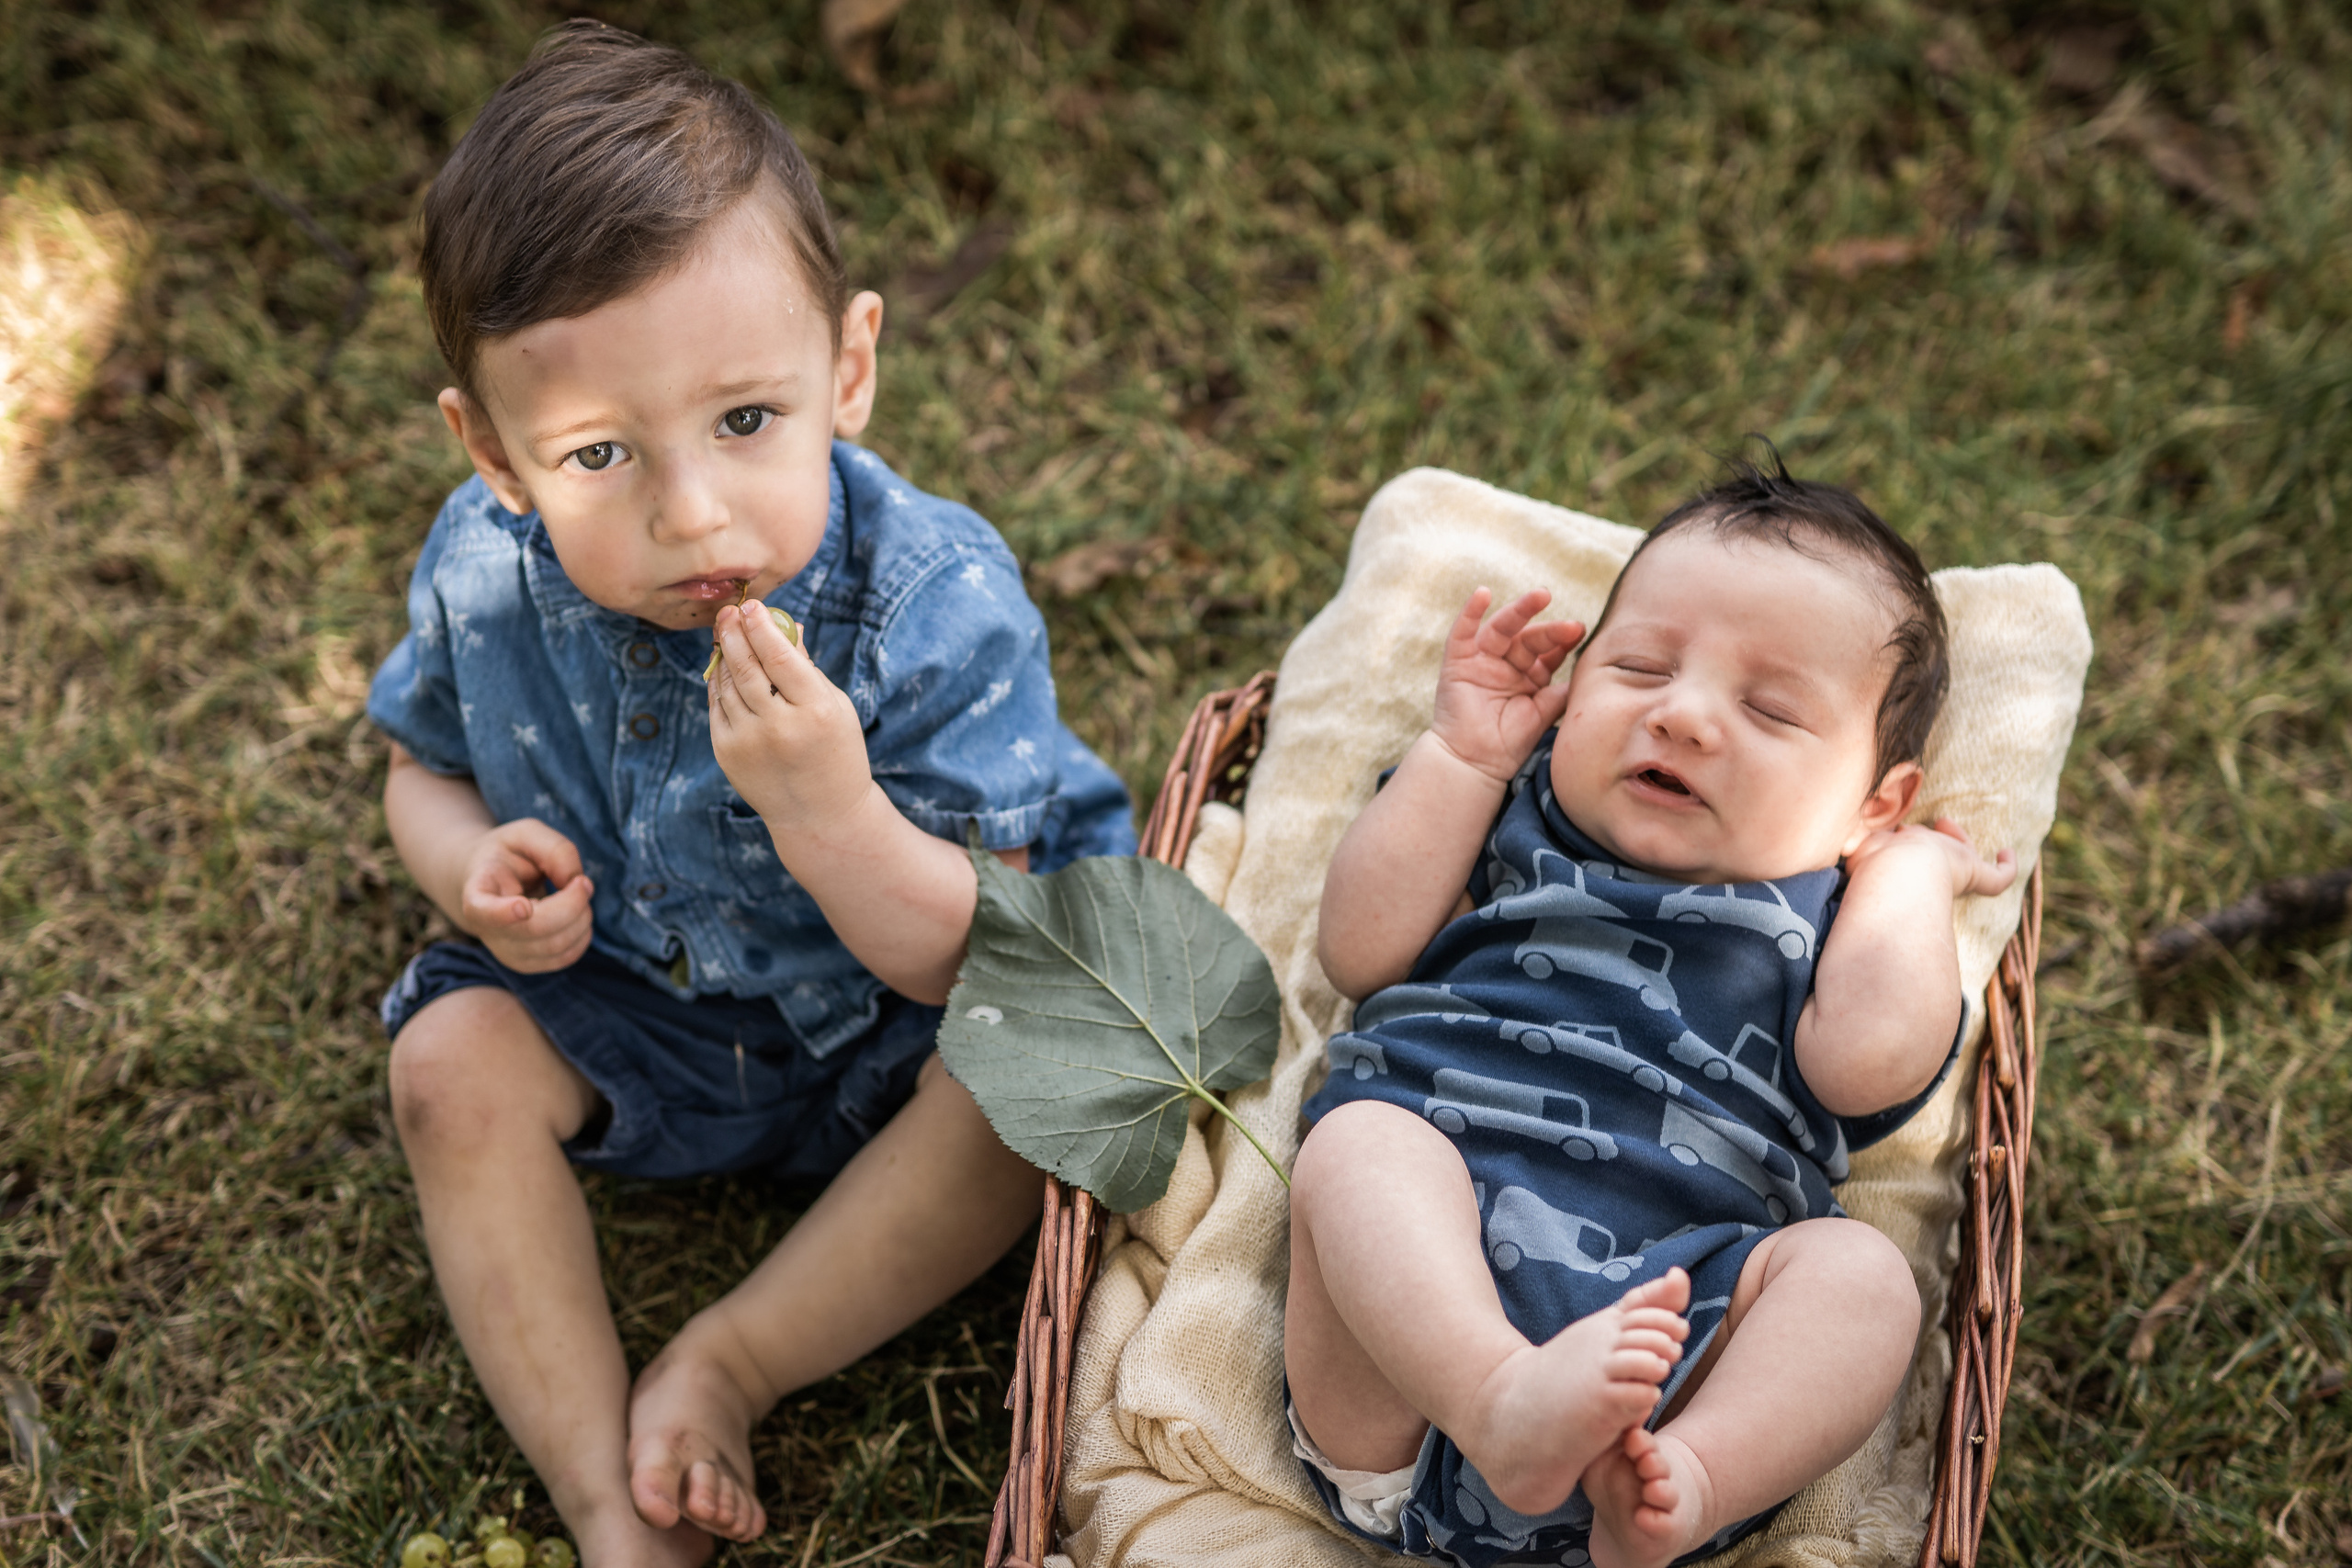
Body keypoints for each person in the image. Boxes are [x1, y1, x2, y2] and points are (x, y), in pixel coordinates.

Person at [366, 22, 1132, 1566]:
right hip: (635, 998)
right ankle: (608, 1500)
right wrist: (469, 868)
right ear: (495, 455)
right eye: (596, 454)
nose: (690, 511)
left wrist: (828, 808)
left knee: (1043, 1074)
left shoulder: (930, 602)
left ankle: (737, 1354)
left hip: (908, 1012)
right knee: (449, 1063)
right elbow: (419, 762)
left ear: (846, 370)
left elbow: (966, 952)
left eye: (744, 420)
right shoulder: (480, 570)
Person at [1284, 456, 2015, 1568]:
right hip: (1408, 1363)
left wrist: (1907, 879)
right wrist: (1463, 753)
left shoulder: (1836, 910)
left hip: (1677, 1357)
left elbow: (1867, 1068)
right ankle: (1499, 1399)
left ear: (1872, 804)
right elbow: (1359, 950)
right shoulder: (1508, 804)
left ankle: (1694, 1483)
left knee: (1860, 1278)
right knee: (1359, 1145)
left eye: (1768, 709)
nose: (1681, 715)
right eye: (1636, 666)